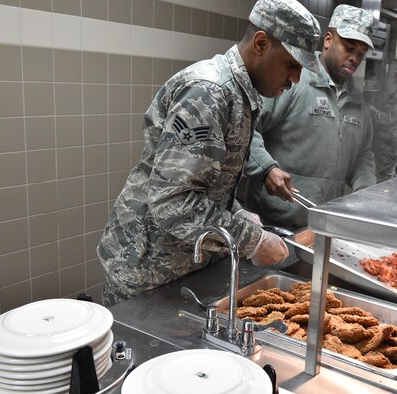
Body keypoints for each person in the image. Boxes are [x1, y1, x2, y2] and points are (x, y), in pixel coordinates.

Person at [96, 0, 321, 307]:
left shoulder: (239, 96)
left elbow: (203, 180)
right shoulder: (209, 92)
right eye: (292, 65)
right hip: (146, 269)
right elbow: (171, 201)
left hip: (181, 263)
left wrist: (236, 210)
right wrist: (251, 240)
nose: (295, 79)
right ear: (261, 44)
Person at [239, 4, 377, 230]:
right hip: (273, 225)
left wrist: (365, 190)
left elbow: (363, 155)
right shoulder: (292, 79)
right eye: (349, 48)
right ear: (328, 39)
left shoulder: (358, 102)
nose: (354, 58)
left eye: (361, 54)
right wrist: (266, 168)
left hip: (322, 228)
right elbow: (247, 127)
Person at [368, 64, 397, 182]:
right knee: (388, 171)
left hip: (390, 143)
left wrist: (371, 110)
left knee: (384, 175)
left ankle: (383, 199)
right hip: (389, 140)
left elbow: (387, 119)